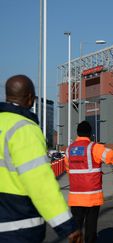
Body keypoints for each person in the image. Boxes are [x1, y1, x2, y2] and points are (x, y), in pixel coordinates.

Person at [0, 75, 81, 242]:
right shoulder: (23, 128)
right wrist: (67, 226)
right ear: (30, 98)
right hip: (17, 226)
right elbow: (40, 183)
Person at [65, 121, 113, 243]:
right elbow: (111, 156)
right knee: (90, 228)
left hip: (75, 197)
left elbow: (68, 168)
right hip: (92, 196)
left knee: (76, 228)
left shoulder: (69, 150)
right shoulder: (94, 148)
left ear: (77, 133)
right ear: (90, 134)